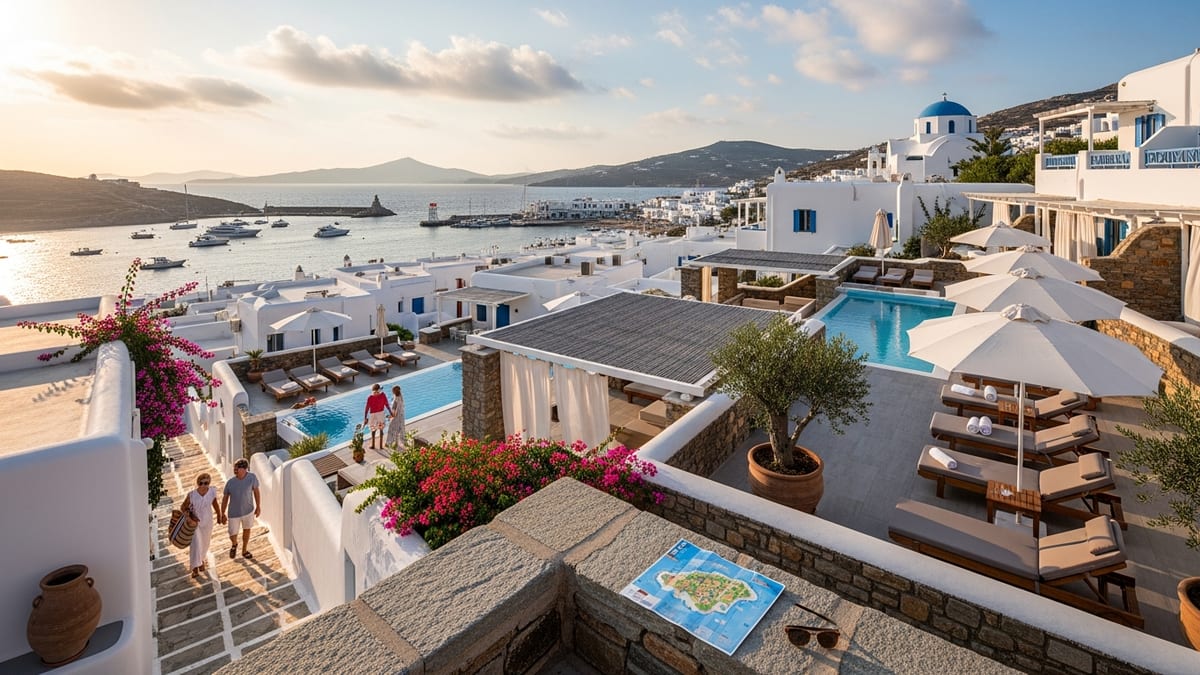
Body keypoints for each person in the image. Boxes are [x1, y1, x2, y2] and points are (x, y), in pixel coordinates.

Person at [220, 458, 261, 560]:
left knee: (247, 530)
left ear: (244, 469)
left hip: (248, 511)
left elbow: (256, 491)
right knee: (232, 533)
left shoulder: (252, 478)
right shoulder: (230, 482)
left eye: (237, 468)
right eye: (235, 468)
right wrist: (222, 513)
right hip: (233, 513)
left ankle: (244, 550)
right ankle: (234, 544)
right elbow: (225, 499)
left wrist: (258, 506)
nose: (235, 470)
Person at [186, 472, 222, 578]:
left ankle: (201, 560)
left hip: (207, 522)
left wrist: (219, 514)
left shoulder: (212, 491)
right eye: (201, 483)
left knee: (205, 543)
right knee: (196, 544)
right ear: (198, 483)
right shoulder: (192, 495)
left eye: (206, 483)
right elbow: (184, 508)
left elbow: (215, 503)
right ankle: (194, 567)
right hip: (195, 523)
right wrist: (190, 518)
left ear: (209, 483)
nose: (203, 485)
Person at [363, 383, 390, 450]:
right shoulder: (373, 397)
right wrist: (365, 417)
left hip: (378, 415)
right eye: (374, 392)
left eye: (377, 392)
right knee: (374, 430)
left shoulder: (374, 397)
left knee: (378, 430)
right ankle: (375, 445)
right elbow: (367, 408)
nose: (376, 393)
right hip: (376, 415)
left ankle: (378, 445)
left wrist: (390, 413)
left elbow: (387, 404)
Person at [385, 384, 406, 449]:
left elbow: (396, 409)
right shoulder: (399, 396)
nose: (392, 391)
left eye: (392, 390)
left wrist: (391, 416)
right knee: (398, 429)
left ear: (395, 391)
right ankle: (396, 443)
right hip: (401, 416)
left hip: (397, 416)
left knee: (391, 428)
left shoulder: (397, 399)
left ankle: (389, 443)